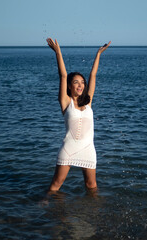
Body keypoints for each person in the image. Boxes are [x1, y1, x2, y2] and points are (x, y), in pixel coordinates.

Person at [46, 38, 111, 191]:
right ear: (69, 86)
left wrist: (98, 54)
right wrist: (58, 52)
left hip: (88, 148)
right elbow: (63, 75)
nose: (80, 85)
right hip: (69, 147)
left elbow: (93, 75)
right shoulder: (65, 102)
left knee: (92, 186)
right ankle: (44, 206)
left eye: (82, 82)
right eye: (76, 82)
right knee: (55, 185)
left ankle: (93, 212)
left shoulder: (88, 102)